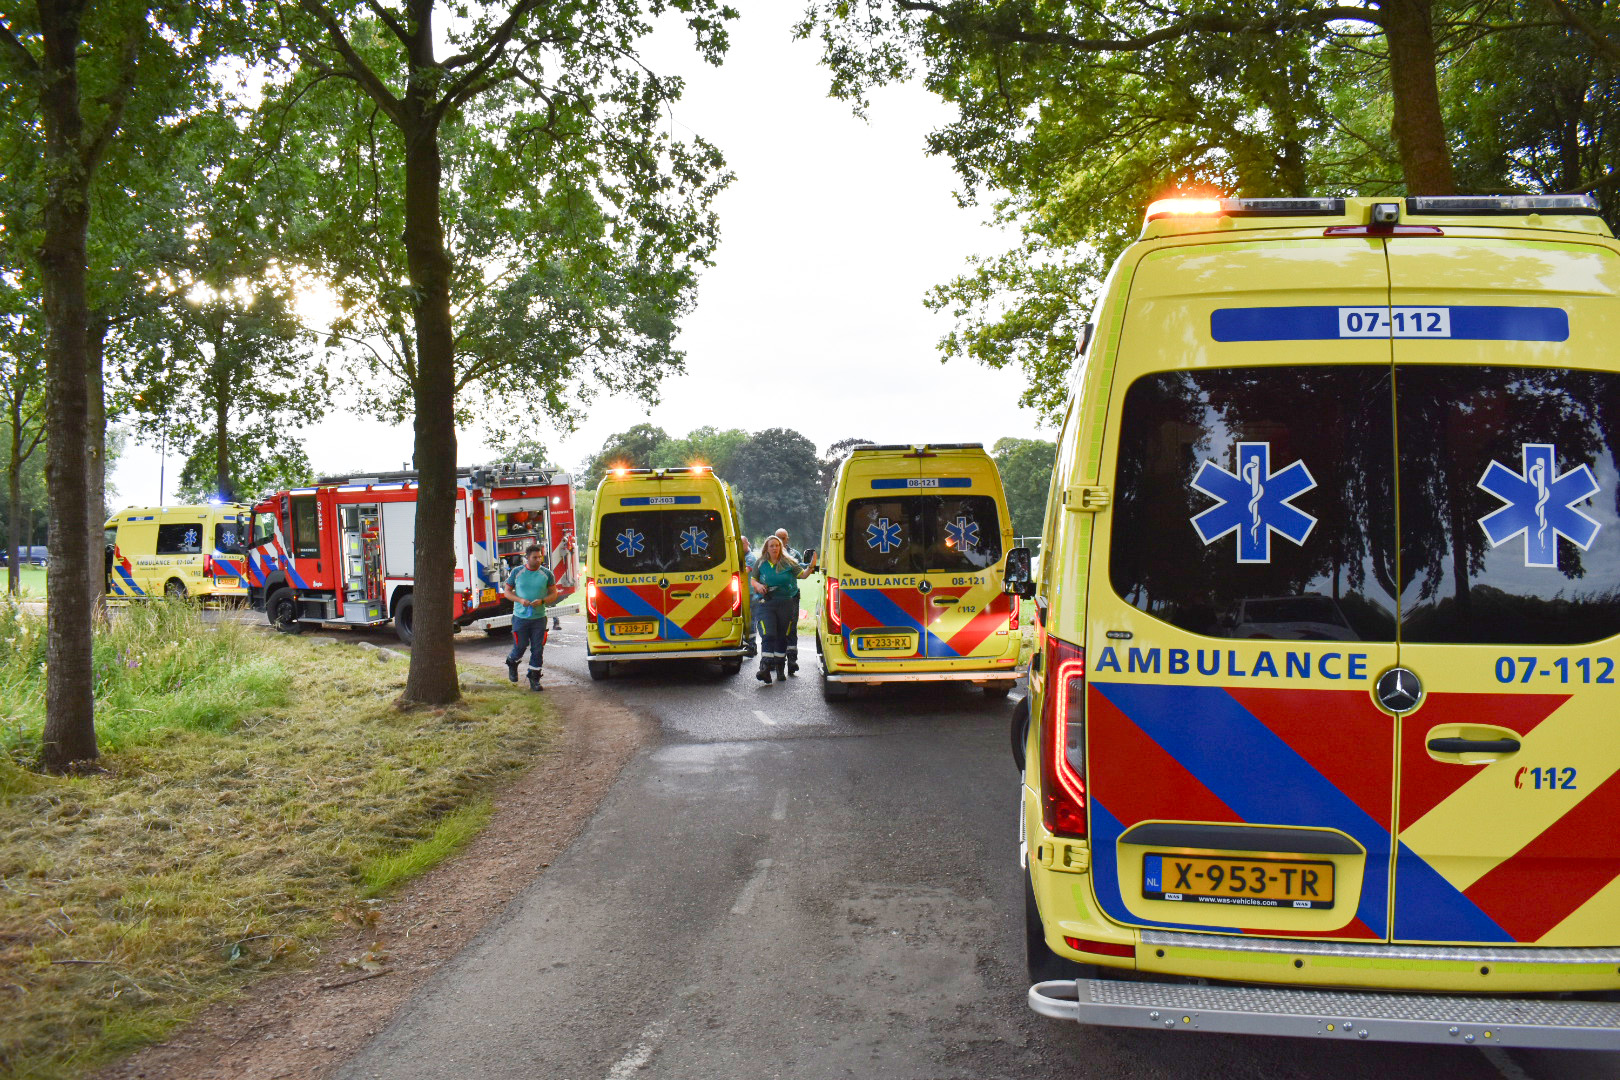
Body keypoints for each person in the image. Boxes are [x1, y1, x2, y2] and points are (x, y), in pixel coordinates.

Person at [752, 534, 817, 683]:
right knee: (768, 634)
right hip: (767, 603)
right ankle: (765, 668)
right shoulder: (761, 563)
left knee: (782, 635)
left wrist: (811, 566)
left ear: (781, 547)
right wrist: (758, 586)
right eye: (771, 546)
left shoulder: (789, 563)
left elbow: (803, 575)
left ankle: (780, 667)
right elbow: (753, 579)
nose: (774, 548)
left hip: (786, 603)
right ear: (766, 549)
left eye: (777, 545)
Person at [503, 542, 560, 690]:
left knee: (537, 649)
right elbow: (507, 592)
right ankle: (512, 661)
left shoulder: (547, 574)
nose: (538, 560)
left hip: (539, 618)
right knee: (520, 646)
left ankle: (534, 679)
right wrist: (520, 600)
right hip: (520, 618)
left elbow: (554, 593)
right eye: (535, 557)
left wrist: (543, 601)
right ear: (527, 558)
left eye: (540, 557)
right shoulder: (517, 572)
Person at [773, 528, 815, 676]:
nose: (781, 541)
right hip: (775, 598)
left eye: (783, 538)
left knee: (791, 629)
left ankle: (792, 660)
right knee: (776, 629)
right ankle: (775, 660)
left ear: (787, 539)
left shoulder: (794, 554)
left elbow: (801, 570)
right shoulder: (770, 554)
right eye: (778, 538)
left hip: (792, 597)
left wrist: (811, 566)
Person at [739, 534, 759, 658]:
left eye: (743, 544)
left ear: (748, 544)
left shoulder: (750, 557)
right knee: (746, 620)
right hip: (744, 593)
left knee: (751, 620)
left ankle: (752, 646)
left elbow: (744, 571)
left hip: (751, 594)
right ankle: (748, 644)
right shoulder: (742, 557)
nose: (741, 547)